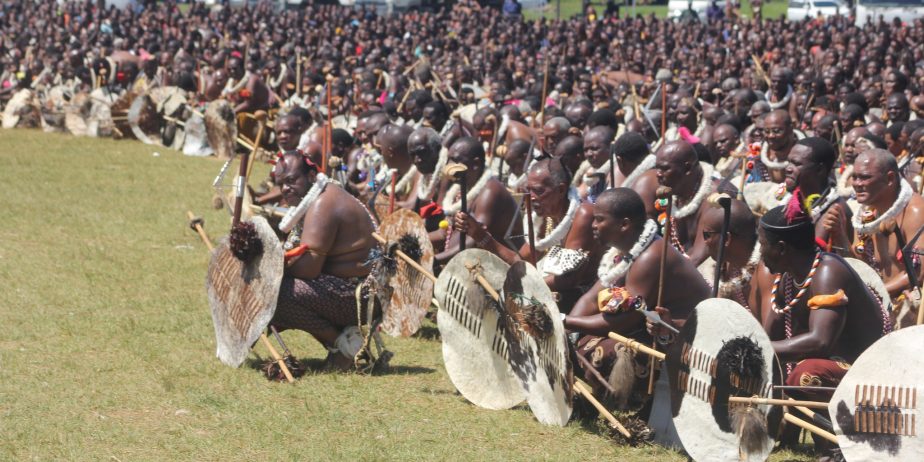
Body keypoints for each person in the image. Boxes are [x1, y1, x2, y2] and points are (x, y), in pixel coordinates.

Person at [757, 201, 890, 456]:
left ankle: (834, 446)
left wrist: (761, 348)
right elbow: (776, 338)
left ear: (782, 248)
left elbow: (820, 342)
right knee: (779, 367)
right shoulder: (789, 277)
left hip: (869, 372)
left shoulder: (827, 272)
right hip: (834, 367)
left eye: (763, 244)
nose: (760, 253)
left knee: (806, 374)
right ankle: (789, 436)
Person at [564, 188, 710, 398]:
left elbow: (622, 321)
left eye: (600, 219)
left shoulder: (650, 256)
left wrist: (566, 321)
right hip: (648, 329)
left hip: (684, 342)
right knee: (582, 340)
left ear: (624, 224)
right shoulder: (624, 250)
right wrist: (567, 329)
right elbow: (592, 298)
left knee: (609, 353)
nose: (593, 225)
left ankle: (629, 402)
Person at [264, 151, 377, 370]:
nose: (285, 188)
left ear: (311, 176)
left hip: (360, 298)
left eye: (291, 180)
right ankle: (345, 343)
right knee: (275, 286)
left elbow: (309, 268)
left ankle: (345, 349)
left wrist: (271, 271)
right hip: (349, 290)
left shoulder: (323, 202)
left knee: (278, 293)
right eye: (281, 183)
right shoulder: (321, 196)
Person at [455, 157, 602, 312]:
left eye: (538, 191)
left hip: (580, 303)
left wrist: (520, 285)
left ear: (561, 190)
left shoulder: (583, 214)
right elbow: (518, 261)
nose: (530, 197)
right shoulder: (546, 218)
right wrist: (479, 235)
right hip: (548, 294)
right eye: (529, 190)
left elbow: (567, 279)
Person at [824, 149, 924, 328]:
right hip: (878, 303)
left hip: (910, 311)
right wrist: (840, 236)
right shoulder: (866, 213)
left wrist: (872, 294)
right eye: (855, 177)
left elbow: (917, 273)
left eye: (865, 177)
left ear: (890, 178)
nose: (857, 184)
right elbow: (861, 267)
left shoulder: (915, 211)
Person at [432, 137, 520, 266]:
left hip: (496, 269)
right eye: (449, 160)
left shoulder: (490, 191)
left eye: (455, 160)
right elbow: (443, 234)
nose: (449, 165)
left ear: (476, 164)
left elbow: (472, 242)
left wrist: (433, 261)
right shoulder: (462, 188)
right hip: (465, 264)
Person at [652, 140, 730, 266]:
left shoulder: (715, 197)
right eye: (657, 168)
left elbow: (697, 259)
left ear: (687, 168)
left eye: (665, 168)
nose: (658, 174)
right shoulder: (676, 193)